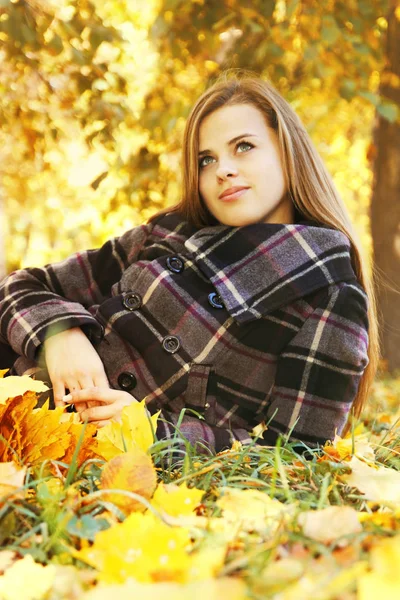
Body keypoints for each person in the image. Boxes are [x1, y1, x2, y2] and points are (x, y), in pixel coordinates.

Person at [0, 72, 379, 456]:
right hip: (14, 394)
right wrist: (61, 335)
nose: (223, 170)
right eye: (206, 159)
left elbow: (295, 454)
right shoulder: (169, 232)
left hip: (89, 462)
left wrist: (151, 432)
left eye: (244, 146)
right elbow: (20, 286)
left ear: (288, 151)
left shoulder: (330, 293)